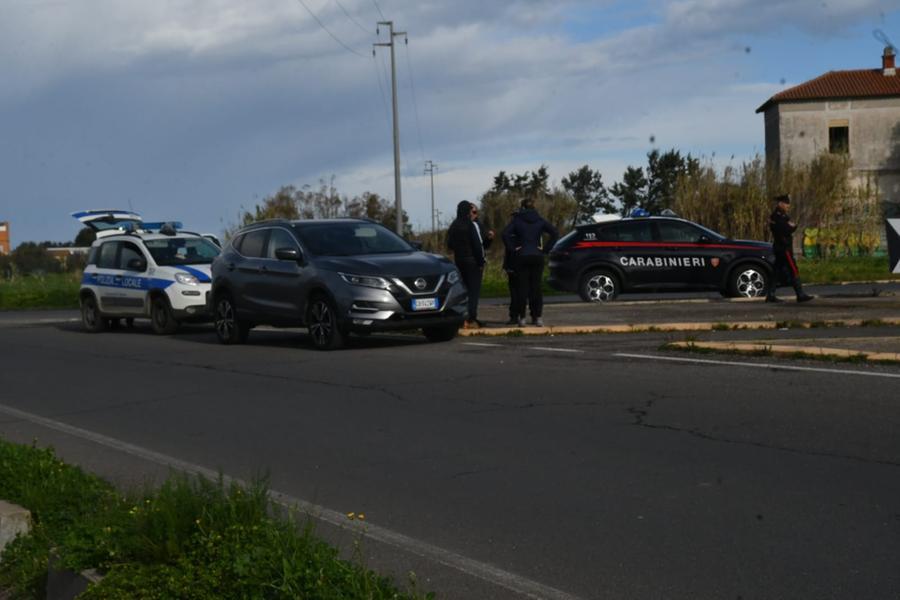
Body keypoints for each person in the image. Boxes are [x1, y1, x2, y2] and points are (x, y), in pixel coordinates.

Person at [503, 198, 559, 326]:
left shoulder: (517, 220)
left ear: (522, 207)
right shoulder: (539, 220)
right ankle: (537, 316)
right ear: (534, 207)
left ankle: (522, 317)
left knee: (522, 287)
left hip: (522, 255)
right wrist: (545, 249)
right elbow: (554, 233)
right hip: (537, 255)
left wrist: (513, 248)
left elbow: (505, 234)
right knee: (536, 288)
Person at [447, 201, 493, 328]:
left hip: (459, 260)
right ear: (467, 211)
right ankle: (471, 317)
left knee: (463, 290)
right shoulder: (470, 225)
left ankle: (462, 318)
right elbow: (477, 246)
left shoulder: (454, 225)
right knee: (473, 291)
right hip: (472, 262)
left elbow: (449, 244)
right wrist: (480, 261)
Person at [766, 194, 813, 303]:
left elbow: (787, 227)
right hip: (784, 248)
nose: (788, 206)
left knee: (776, 271)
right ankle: (800, 294)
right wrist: (793, 227)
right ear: (780, 204)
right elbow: (785, 229)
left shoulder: (781, 216)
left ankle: (770, 294)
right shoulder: (777, 216)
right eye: (786, 204)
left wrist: (791, 226)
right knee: (793, 269)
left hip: (780, 247)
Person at [501, 209, 524, 325]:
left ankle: (515, 315)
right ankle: (520, 314)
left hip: (513, 263)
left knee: (514, 291)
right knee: (520, 290)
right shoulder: (525, 229)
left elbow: (504, 235)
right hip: (522, 262)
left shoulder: (511, 229)